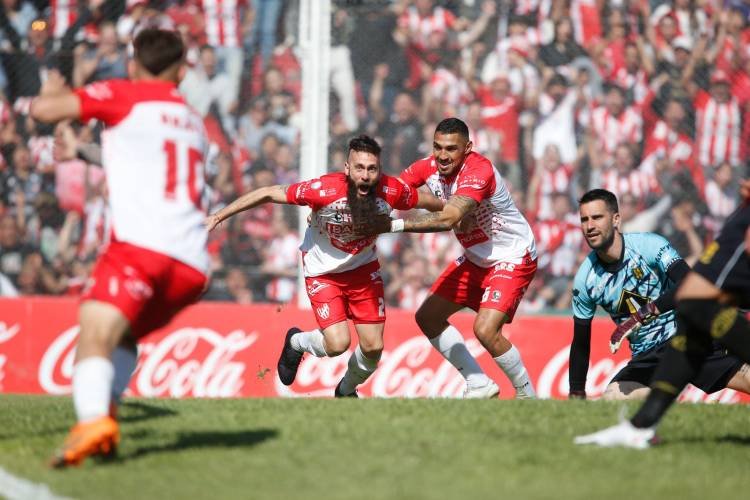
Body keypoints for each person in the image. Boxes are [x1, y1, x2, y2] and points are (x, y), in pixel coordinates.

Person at [30, 29, 211, 467]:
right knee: (122, 337)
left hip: (141, 249)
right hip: (192, 267)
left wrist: (52, 88)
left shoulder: (124, 94)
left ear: (132, 63)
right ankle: (106, 419)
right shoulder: (192, 120)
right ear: (182, 71)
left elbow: (43, 110)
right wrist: (83, 153)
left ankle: (93, 422)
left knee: (93, 334)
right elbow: (144, 154)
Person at [206, 135, 442, 397]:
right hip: (323, 272)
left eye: (372, 169)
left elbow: (426, 201)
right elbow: (269, 193)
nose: (365, 175)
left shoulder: (391, 190)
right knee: (339, 343)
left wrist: (459, 210)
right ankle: (296, 342)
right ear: (347, 169)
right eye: (359, 168)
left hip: (363, 271)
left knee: (374, 348)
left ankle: (346, 390)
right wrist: (218, 216)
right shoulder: (323, 190)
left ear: (379, 170)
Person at [371, 117, 538, 399]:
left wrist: (393, 225)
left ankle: (528, 396)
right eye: (438, 148)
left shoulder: (479, 170)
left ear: (468, 148)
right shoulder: (429, 166)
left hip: (512, 255)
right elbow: (395, 189)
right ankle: (478, 383)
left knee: (485, 330)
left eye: (451, 148)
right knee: (428, 317)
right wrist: (358, 196)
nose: (443, 156)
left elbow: (449, 218)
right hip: (476, 258)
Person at [575, 180, 750, 449]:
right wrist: (576, 394)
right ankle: (649, 421)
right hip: (646, 354)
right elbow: (580, 342)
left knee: (738, 368)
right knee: (611, 397)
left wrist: (642, 314)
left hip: (681, 331)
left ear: (617, 219)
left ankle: (651, 419)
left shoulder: (649, 245)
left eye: (597, 217)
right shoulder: (585, 278)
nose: (590, 226)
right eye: (584, 219)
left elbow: (687, 284)